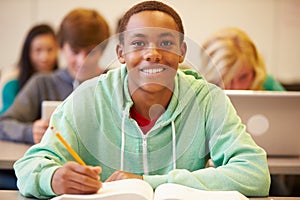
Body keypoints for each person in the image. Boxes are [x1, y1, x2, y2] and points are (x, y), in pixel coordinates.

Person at [14, 1, 270, 199]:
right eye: (138, 43)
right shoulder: (87, 98)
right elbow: (29, 166)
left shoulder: (207, 99)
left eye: (166, 43)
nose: (152, 54)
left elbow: (254, 173)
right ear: (120, 53)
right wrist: (53, 177)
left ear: (181, 52)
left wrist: (146, 182)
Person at [0, 8, 110, 190]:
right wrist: (30, 130)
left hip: (103, 180)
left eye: (90, 52)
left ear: (103, 50)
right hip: (51, 178)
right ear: (61, 47)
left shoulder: (114, 84)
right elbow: (3, 122)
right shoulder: (42, 83)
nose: (82, 60)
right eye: (75, 51)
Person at [200, 27, 286, 91]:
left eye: (243, 77)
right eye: (227, 79)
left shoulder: (267, 85)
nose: (237, 88)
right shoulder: (197, 92)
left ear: (255, 72)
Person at [0, 24, 59, 114]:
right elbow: (6, 121)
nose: (44, 58)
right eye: (38, 50)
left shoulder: (63, 80)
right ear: (28, 52)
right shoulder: (12, 81)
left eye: (50, 50)